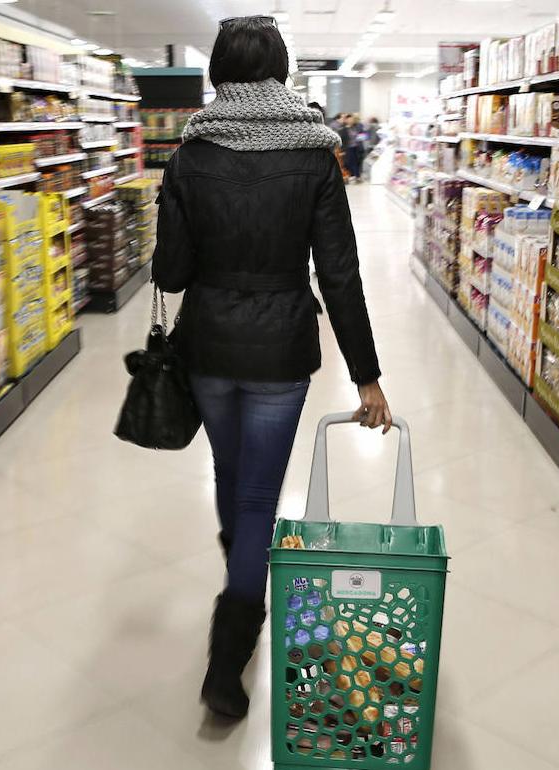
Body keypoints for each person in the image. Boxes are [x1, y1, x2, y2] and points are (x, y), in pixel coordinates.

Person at [152, 15, 390, 721]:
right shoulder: (317, 151)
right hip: (283, 347)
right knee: (258, 497)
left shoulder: (190, 153)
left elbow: (169, 270)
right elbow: (340, 275)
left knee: (233, 480)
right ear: (282, 71)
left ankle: (240, 578)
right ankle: (228, 656)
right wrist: (366, 375)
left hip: (209, 345)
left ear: (217, 73)